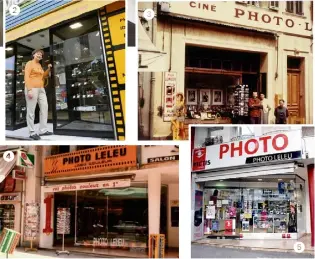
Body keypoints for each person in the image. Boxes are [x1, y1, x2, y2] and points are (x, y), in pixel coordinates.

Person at [24, 49, 53, 140]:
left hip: (41, 89)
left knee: (44, 108)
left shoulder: (40, 65)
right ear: (33, 54)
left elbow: (43, 76)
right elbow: (26, 76)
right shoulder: (29, 63)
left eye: (41, 54)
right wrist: (29, 90)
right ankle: (32, 132)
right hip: (32, 88)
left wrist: (48, 69)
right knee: (31, 111)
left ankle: (43, 130)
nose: (40, 55)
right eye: (38, 53)